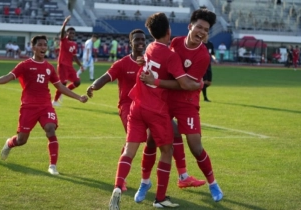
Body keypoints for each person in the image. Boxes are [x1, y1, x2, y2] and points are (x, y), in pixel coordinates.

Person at [87, 29, 205, 194]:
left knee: (175, 131)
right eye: (137, 40)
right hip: (129, 107)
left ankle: (183, 176)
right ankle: (123, 182)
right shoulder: (122, 63)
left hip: (149, 105)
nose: (141, 42)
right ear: (130, 43)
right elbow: (106, 77)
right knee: (134, 144)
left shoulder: (149, 59)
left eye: (143, 39)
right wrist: (93, 86)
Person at [108, 13, 203, 210]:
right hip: (156, 110)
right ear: (169, 31)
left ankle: (118, 186)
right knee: (167, 151)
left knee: (129, 150)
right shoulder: (170, 55)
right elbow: (184, 83)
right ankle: (160, 198)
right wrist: (198, 83)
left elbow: (145, 64)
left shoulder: (149, 48)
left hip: (136, 107)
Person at [139, 9, 223, 203]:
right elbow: (163, 64)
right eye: (199, 27)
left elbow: (184, 86)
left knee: (196, 147)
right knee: (151, 140)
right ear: (190, 26)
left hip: (187, 103)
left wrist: (156, 82)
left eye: (206, 30)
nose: (202, 32)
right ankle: (145, 182)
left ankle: (213, 183)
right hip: (166, 101)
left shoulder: (202, 56)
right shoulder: (175, 43)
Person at [0, 35, 88, 175]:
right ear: (33, 47)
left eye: (45, 45)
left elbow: (60, 87)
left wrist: (78, 97)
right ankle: (9, 143)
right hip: (28, 106)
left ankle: (53, 166)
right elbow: (9, 76)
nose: (43, 47)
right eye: (40, 45)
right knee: (22, 140)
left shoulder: (49, 68)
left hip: (45, 105)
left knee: (50, 129)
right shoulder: (25, 65)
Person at [52, 16, 84, 107]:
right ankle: (55, 101)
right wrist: (65, 22)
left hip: (70, 66)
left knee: (77, 82)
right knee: (63, 83)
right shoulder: (63, 40)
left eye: (73, 33)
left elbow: (74, 56)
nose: (72, 35)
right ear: (67, 33)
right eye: (70, 33)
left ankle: (63, 92)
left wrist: (80, 65)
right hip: (62, 64)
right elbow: (62, 33)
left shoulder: (74, 44)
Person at [202, 36, 218, 102]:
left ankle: (196, 90)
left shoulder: (210, 44)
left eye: (207, 35)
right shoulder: (200, 44)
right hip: (202, 66)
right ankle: (205, 98)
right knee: (204, 81)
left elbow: (212, 54)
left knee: (209, 83)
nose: (206, 36)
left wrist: (215, 59)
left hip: (208, 65)